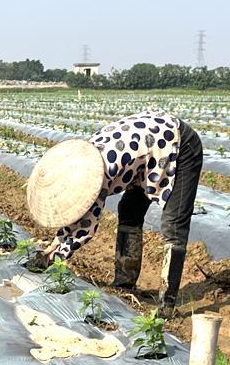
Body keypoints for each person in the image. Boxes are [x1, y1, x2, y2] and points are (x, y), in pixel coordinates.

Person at [25, 111, 203, 318]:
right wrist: (51, 247)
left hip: (178, 145)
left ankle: (166, 305)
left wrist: (54, 257)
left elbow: (85, 229)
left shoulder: (94, 174)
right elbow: (76, 217)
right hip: (146, 152)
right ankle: (124, 283)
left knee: (174, 223)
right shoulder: (82, 163)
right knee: (129, 210)